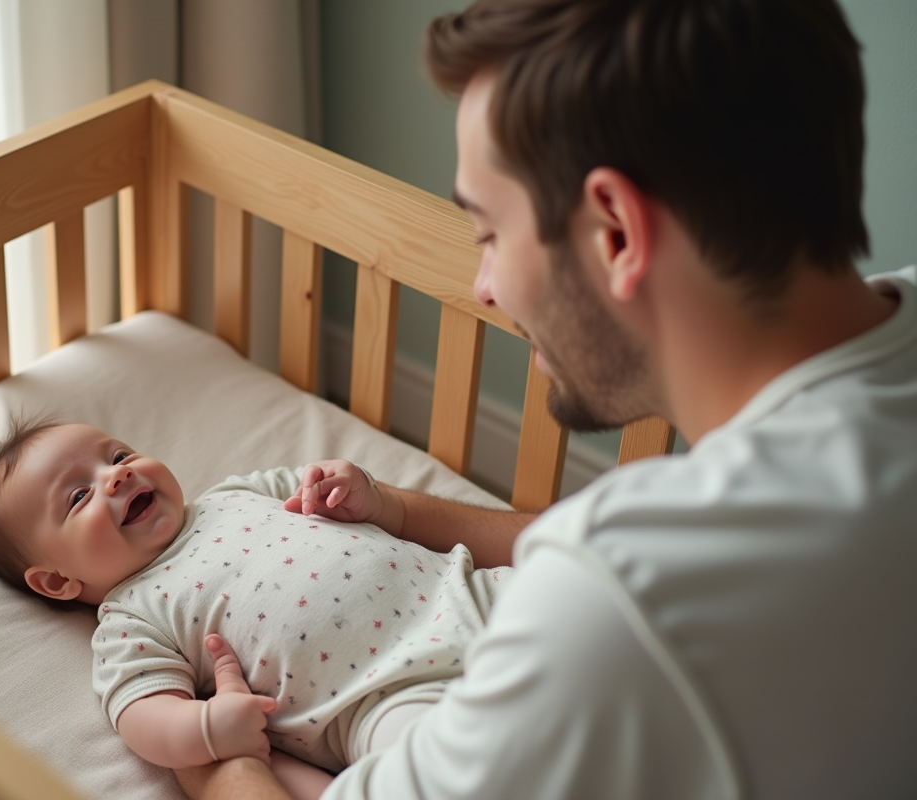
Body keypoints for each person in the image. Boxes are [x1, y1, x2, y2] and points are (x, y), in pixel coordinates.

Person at [174, 0, 917, 798]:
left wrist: (223, 760)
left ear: (617, 232)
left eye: (489, 233)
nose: (484, 290)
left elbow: (628, 584)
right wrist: (397, 510)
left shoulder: (622, 601)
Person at [0, 421, 514, 799]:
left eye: (117, 456)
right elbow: (141, 713)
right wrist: (207, 726)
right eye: (78, 498)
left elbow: (325, 490)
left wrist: (358, 491)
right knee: (455, 773)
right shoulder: (131, 615)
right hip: (388, 696)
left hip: (476, 593)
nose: (116, 476)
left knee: (581, 609)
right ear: (58, 581)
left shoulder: (239, 492)